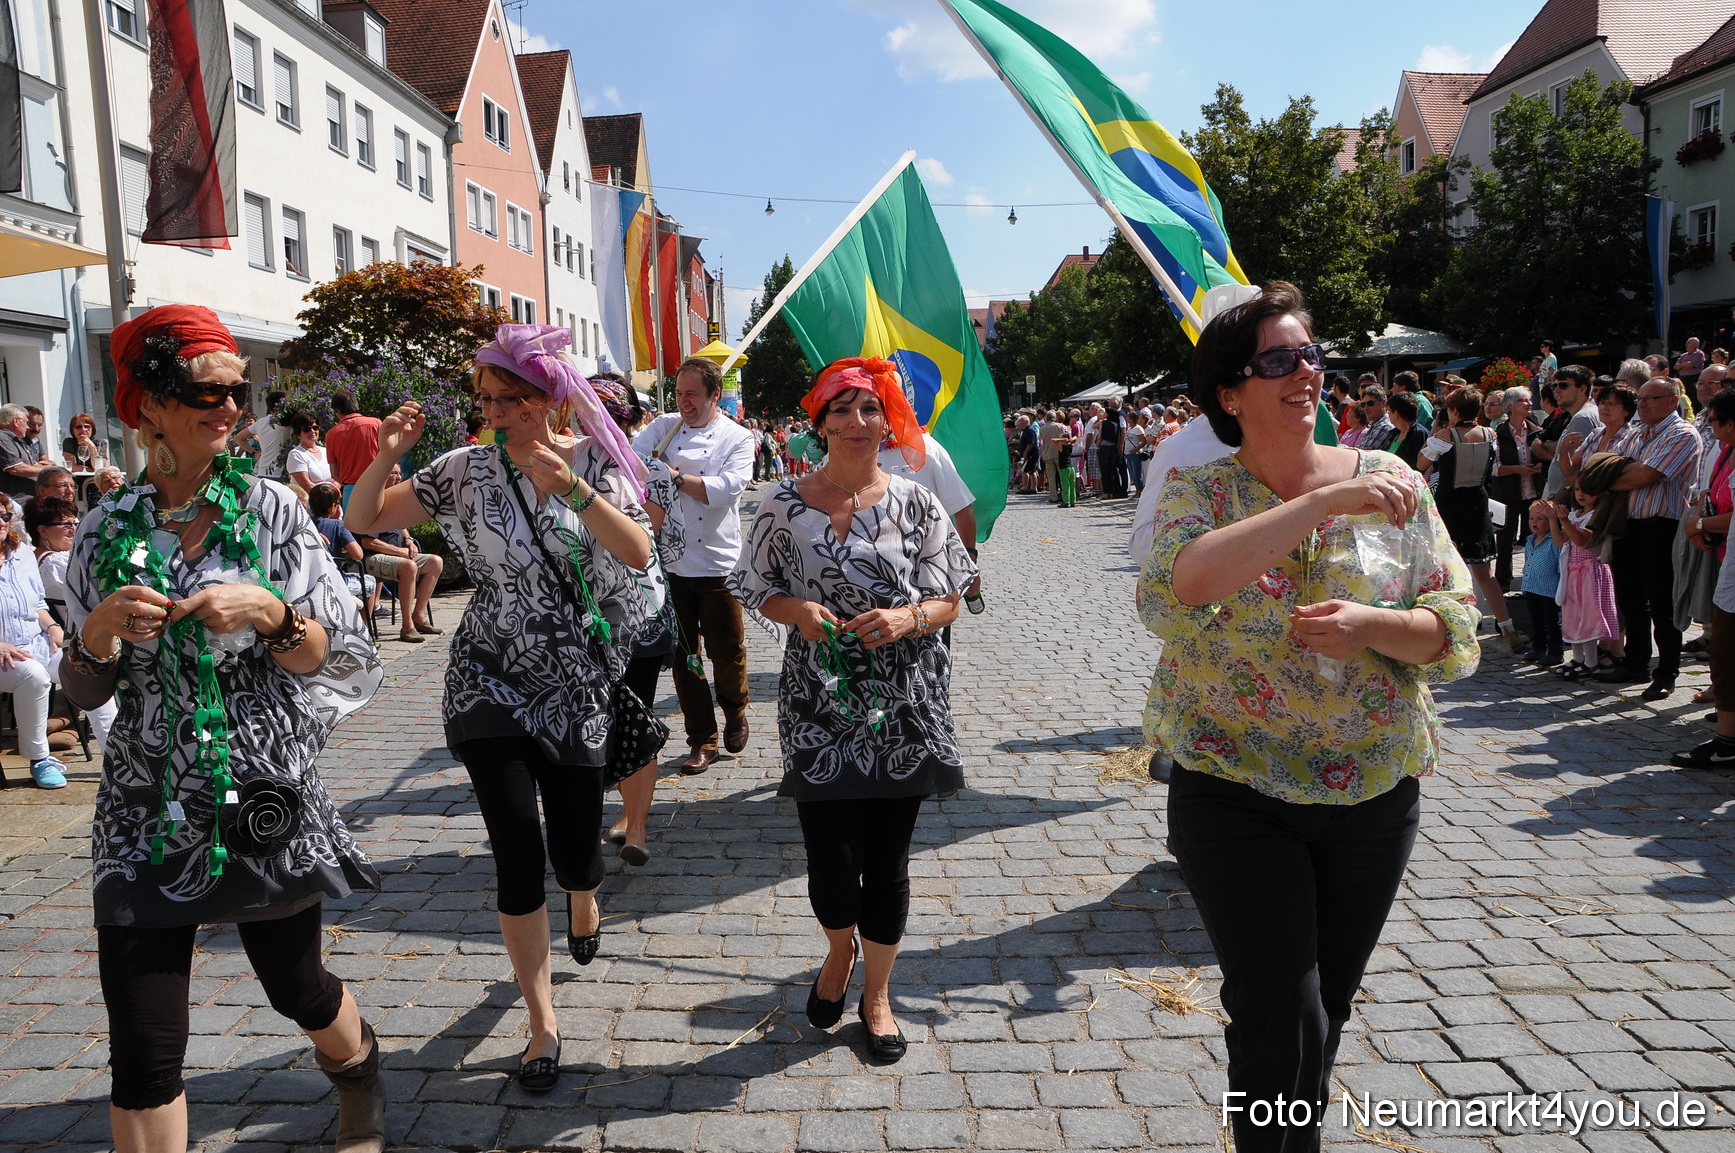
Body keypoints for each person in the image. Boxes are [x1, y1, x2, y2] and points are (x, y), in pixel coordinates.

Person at [1139, 283, 1479, 1153]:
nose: (1306, 372)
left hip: (1371, 791)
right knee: (1278, 1009)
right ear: (1229, 391)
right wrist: (1321, 503)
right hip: (1234, 788)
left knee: (1319, 1012)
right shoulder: (1201, 489)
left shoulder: (1392, 482)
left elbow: (1455, 622)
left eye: (1310, 353)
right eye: (1277, 360)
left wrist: (1373, 626)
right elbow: (1179, 588)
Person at [60, 304, 385, 1153]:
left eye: (238, 391)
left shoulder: (275, 512)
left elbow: (335, 655)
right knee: (143, 1041)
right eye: (209, 391)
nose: (232, 406)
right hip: (144, 797)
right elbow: (81, 683)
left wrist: (274, 612)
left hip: (258, 788)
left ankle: (358, 1068)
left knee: (297, 987)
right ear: (152, 405)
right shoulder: (101, 527)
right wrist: (94, 634)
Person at [347, 323, 655, 1093]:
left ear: (547, 398)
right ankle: (541, 1020)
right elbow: (363, 518)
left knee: (575, 845)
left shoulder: (594, 465)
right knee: (516, 844)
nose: (490, 412)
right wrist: (387, 450)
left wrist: (573, 491)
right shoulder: (461, 469)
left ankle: (583, 896)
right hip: (488, 672)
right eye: (482, 399)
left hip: (575, 679)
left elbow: (639, 554)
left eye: (506, 400)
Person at [729, 356, 975, 1066]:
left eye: (870, 408)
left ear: (887, 419)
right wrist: (793, 609)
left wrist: (908, 619)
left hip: (904, 704)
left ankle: (876, 993)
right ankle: (839, 946)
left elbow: (951, 594)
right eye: (841, 409)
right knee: (832, 863)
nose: (857, 422)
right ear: (819, 422)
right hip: (819, 704)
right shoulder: (782, 502)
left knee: (889, 861)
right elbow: (755, 586)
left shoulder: (916, 501)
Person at [631, 357, 756, 774]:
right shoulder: (664, 427)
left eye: (692, 395)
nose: (684, 403)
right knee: (685, 659)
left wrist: (675, 479)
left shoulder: (737, 438)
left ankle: (736, 710)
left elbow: (726, 490)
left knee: (727, 650)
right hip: (671, 562)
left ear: (714, 395)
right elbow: (627, 459)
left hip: (719, 561)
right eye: (679, 393)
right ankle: (702, 739)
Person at [593, 372, 681, 866]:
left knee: (635, 713)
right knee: (595, 720)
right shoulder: (562, 463)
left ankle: (636, 824)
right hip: (583, 616)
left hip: (639, 608)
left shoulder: (651, 472)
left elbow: (647, 536)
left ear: (630, 420)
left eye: (611, 415)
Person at [1592, 377, 1702, 700]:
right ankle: (1635, 662)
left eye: (1650, 398)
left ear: (1672, 400)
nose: (1642, 404)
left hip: (1662, 527)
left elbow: (1646, 474)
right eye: (1640, 399)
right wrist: (1613, 475)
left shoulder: (1682, 433)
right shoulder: (1638, 432)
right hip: (1629, 526)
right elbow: (1604, 466)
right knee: (1630, 600)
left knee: (1662, 605)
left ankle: (1666, 672)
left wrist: (1610, 479)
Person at [1418, 387, 1526, 651]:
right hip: (1477, 502)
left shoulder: (1446, 436)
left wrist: (1434, 435)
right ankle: (1508, 627)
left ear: (1453, 410)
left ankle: (1445, 629)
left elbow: (1421, 463)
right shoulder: (1490, 434)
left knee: (1442, 569)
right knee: (1485, 573)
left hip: (1449, 504)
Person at [0, 491, 71, 787]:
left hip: (36, 644)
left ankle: (114, 747)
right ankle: (39, 758)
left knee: (86, 663)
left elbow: (38, 604)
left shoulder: (22, 555)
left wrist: (54, 627)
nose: (1, 522)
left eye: (4, 515)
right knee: (35, 677)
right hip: (6, 657)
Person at [357, 465, 444, 644]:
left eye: (399, 473)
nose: (398, 477)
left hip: (398, 554)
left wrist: (409, 540)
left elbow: (401, 524)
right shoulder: (373, 500)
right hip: (372, 557)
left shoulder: (394, 499)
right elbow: (368, 542)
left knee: (435, 562)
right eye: (393, 473)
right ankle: (407, 625)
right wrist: (399, 552)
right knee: (408, 566)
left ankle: (419, 616)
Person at [1551, 484, 1625, 678]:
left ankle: (1591, 661)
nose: (1581, 494)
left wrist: (1564, 520)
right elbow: (1561, 541)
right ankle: (1578, 658)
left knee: (1588, 616)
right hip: (1573, 572)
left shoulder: (1595, 517)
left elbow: (1581, 540)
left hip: (1590, 571)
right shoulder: (1576, 515)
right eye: (1577, 490)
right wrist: (1553, 519)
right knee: (1572, 615)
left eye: (1587, 490)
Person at [1491, 387, 1543, 592]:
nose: (1530, 404)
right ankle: (1503, 582)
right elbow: (1494, 468)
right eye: (1525, 401)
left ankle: (1533, 580)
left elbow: (1546, 457)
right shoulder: (1499, 433)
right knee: (1505, 540)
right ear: (1511, 406)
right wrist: (1518, 469)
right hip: (1508, 494)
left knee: (1535, 537)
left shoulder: (1536, 430)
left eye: (1530, 401)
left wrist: (1540, 467)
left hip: (1532, 493)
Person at [1540, 366, 1600, 501]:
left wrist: (1557, 500)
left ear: (1582, 389)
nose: (1556, 391)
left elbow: (1576, 471)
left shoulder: (1582, 418)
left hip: (1568, 499)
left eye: (1563, 385)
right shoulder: (1583, 414)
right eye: (1553, 386)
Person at [1521, 502, 1564, 668]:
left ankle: (1555, 652)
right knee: (1536, 622)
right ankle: (1538, 648)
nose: (1534, 522)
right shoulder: (1529, 540)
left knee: (1552, 623)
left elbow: (1560, 565)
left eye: (1540, 519)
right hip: (1532, 588)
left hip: (1549, 590)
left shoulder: (1553, 541)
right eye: (1532, 518)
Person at [324, 392, 381, 505]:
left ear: (338, 411)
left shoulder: (331, 434)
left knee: (352, 522)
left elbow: (334, 473)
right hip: (377, 484)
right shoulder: (375, 424)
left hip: (351, 488)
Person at [0, 402, 52, 499]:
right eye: (26, 422)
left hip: (29, 498)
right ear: (16, 421)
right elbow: (16, 468)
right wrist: (49, 470)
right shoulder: (3, 439)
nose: (28, 427)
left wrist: (51, 467)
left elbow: (33, 465)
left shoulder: (16, 440)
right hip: (16, 503)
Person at [285, 413, 333, 491]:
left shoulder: (325, 451)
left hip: (332, 499)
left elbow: (337, 477)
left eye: (315, 427)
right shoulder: (296, 454)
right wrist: (329, 495)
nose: (312, 431)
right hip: (309, 500)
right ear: (298, 434)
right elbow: (306, 485)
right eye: (306, 429)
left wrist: (335, 490)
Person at [1386, 392, 1427, 467]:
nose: (1387, 414)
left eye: (1388, 411)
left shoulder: (1419, 435)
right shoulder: (1394, 434)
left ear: (1396, 413)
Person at [1356, 386, 1397, 452]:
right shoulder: (1373, 426)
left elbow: (1365, 454)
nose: (1365, 408)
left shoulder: (1384, 426)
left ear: (1383, 403)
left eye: (1370, 403)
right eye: (1363, 404)